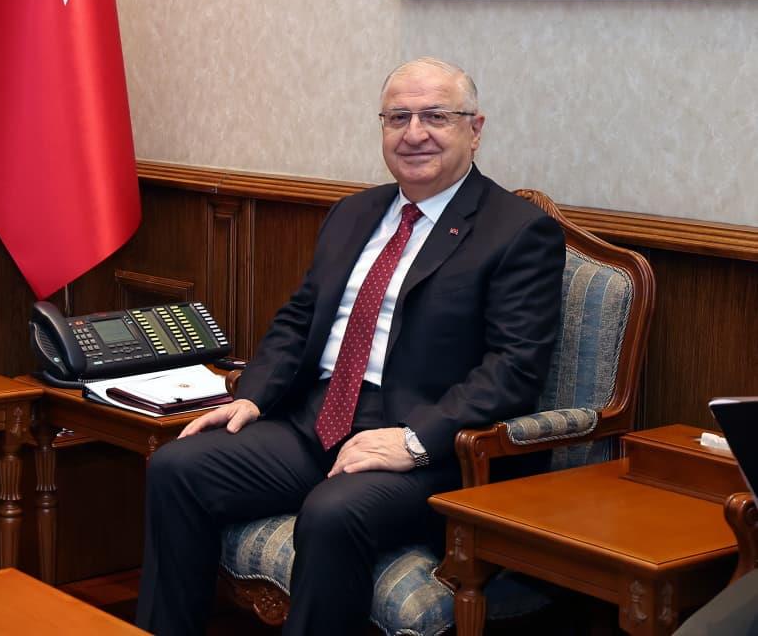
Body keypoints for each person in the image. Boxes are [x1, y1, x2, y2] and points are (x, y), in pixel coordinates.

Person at [135, 58, 564, 635]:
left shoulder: (517, 231)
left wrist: (413, 441)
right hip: (317, 419)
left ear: (475, 129)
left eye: (436, 116)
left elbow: (513, 370)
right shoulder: (354, 213)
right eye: (397, 118)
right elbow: (301, 317)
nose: (414, 133)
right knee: (177, 468)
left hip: (429, 444)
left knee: (332, 512)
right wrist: (254, 396)